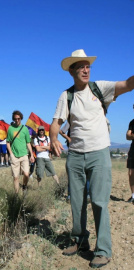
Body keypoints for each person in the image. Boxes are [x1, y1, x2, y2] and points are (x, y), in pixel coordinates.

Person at [50, 49, 134, 268]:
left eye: (88, 66)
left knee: (98, 201)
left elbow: (127, 84)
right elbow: (56, 123)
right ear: (72, 71)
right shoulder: (66, 96)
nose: (86, 70)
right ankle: (80, 241)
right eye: (80, 66)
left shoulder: (100, 88)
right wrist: (53, 139)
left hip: (99, 154)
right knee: (77, 201)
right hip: (75, 155)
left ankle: (104, 250)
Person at [6, 110, 34, 193]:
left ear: (21, 118)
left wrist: (31, 155)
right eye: (15, 119)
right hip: (14, 156)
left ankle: (24, 186)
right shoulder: (10, 129)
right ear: (13, 119)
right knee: (16, 177)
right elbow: (8, 142)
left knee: (26, 174)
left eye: (18, 118)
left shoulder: (25, 129)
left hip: (24, 155)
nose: (17, 120)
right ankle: (16, 194)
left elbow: (28, 143)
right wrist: (11, 154)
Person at [126, 112, 134, 203]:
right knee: (131, 173)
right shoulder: (132, 123)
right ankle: (133, 196)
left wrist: (132, 135)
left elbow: (130, 135)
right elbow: (127, 136)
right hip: (133, 150)